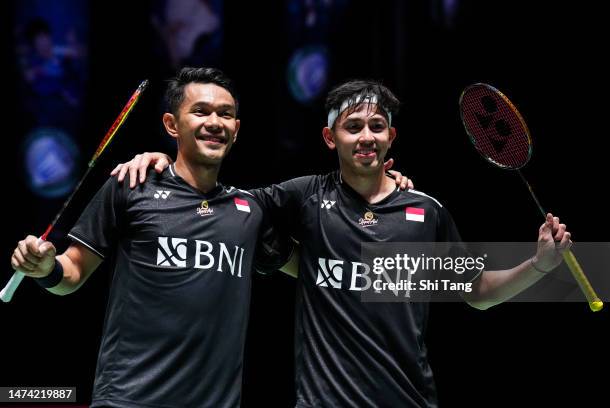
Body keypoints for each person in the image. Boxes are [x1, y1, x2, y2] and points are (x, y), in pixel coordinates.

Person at [113, 80, 571, 407]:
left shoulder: (424, 214)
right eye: (353, 126)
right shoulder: (306, 197)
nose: (366, 136)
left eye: (377, 126)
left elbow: (478, 294)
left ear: (392, 136)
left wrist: (540, 265)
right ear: (331, 138)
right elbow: (213, 200)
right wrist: (164, 163)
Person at [10, 67, 293, 408]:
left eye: (226, 114)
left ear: (236, 129)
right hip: (129, 399)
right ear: (172, 125)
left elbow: (314, 269)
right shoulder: (132, 186)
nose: (215, 122)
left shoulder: (249, 210)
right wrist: (44, 268)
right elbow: (71, 274)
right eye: (201, 111)